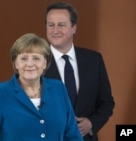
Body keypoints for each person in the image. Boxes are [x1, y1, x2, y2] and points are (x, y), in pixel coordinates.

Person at [0, 33, 83, 141]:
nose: (30, 64)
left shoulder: (58, 89)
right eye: (24, 58)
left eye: (36, 58)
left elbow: (73, 136)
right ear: (16, 63)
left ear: (45, 63)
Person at [44, 2, 115, 141]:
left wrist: (91, 124)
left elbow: (106, 102)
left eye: (61, 25)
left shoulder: (94, 60)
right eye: (50, 25)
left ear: (74, 28)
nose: (55, 30)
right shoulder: (33, 63)